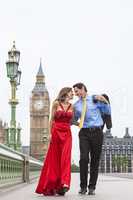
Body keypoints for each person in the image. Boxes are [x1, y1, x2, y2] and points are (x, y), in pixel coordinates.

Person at [72, 83, 111, 195]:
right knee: (83, 159)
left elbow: (107, 111)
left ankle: (92, 187)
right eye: (74, 91)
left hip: (97, 133)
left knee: (95, 160)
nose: (75, 93)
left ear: (83, 89)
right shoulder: (76, 105)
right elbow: (73, 119)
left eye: (77, 91)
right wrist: (78, 123)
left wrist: (105, 101)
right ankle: (83, 187)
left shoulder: (95, 99)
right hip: (84, 133)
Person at [35, 87, 74, 196]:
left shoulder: (72, 106)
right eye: (71, 93)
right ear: (65, 93)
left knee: (66, 158)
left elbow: (71, 120)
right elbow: (51, 119)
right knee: (54, 159)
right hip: (56, 132)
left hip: (67, 133)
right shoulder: (56, 104)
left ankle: (64, 183)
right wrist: (49, 134)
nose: (73, 95)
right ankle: (54, 185)